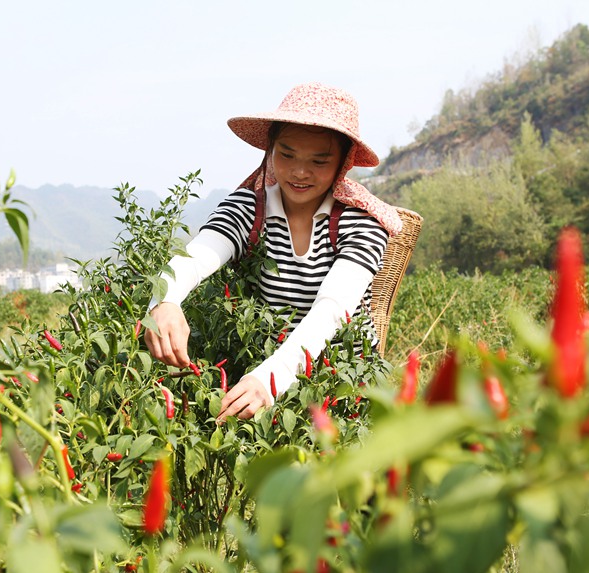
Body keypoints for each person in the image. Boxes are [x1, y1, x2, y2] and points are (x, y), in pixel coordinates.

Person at [144, 82, 403, 421]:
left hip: (342, 381)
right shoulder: (251, 208)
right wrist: (164, 302)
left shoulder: (361, 222)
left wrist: (271, 377)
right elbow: (196, 258)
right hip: (262, 369)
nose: (299, 172)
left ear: (342, 163)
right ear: (270, 150)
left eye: (319, 161)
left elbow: (333, 307)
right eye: (287, 154)